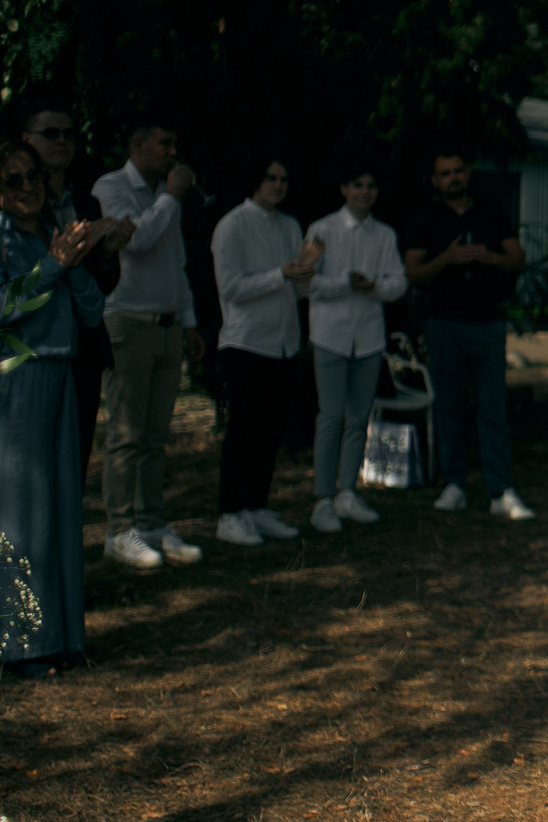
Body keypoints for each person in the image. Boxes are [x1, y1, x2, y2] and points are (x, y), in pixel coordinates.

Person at [0, 140, 105, 678]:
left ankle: (62, 637)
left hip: (61, 377)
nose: (27, 189)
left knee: (59, 512)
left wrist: (74, 264)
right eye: (13, 180)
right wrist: (50, 267)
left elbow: (91, 311)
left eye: (33, 178)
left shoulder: (50, 234)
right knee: (17, 514)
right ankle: (19, 648)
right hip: (13, 383)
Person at [93, 121, 207, 569]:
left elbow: (175, 262)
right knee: (126, 433)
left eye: (174, 144)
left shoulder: (164, 196)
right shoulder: (112, 186)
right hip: (127, 323)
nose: (172, 152)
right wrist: (172, 196)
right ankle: (119, 530)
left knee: (156, 436)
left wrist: (190, 322)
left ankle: (153, 522)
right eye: (165, 143)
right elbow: (135, 241)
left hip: (167, 325)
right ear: (137, 145)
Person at [402, 148, 534, 520]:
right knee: (449, 407)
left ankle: (500, 490)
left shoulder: (491, 211)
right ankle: (454, 485)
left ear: (468, 173)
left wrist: (488, 257)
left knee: (493, 408)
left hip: (486, 323)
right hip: (443, 323)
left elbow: (518, 259)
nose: (453, 178)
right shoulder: (426, 217)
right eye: (445, 173)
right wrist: (446, 259)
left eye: (458, 171)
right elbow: (411, 272)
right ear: (435, 180)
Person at [17, 99, 131, 477]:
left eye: (69, 134)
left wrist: (108, 253)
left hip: (83, 345)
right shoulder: (21, 202)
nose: (61, 141)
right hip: (36, 347)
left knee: (74, 462)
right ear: (27, 139)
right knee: (35, 466)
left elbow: (103, 286)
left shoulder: (86, 202)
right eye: (50, 133)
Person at [211, 152, 320, 545]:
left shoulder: (290, 226)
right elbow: (232, 289)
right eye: (271, 178)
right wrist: (282, 273)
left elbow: (297, 291)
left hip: (283, 344)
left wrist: (306, 269)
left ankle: (256, 507)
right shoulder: (232, 225)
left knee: (270, 431)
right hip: (245, 343)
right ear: (255, 181)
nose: (278, 185)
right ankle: (229, 513)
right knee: (243, 430)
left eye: (283, 179)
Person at [304, 156, 406, 535]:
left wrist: (374, 286)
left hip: (367, 338)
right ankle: (322, 500)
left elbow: (399, 283)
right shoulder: (322, 229)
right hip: (330, 336)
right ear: (344, 189)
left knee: (358, 417)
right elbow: (308, 284)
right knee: (331, 417)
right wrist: (347, 282)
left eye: (370, 186)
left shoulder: (385, 235)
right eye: (357, 185)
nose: (364, 192)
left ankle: (348, 492)